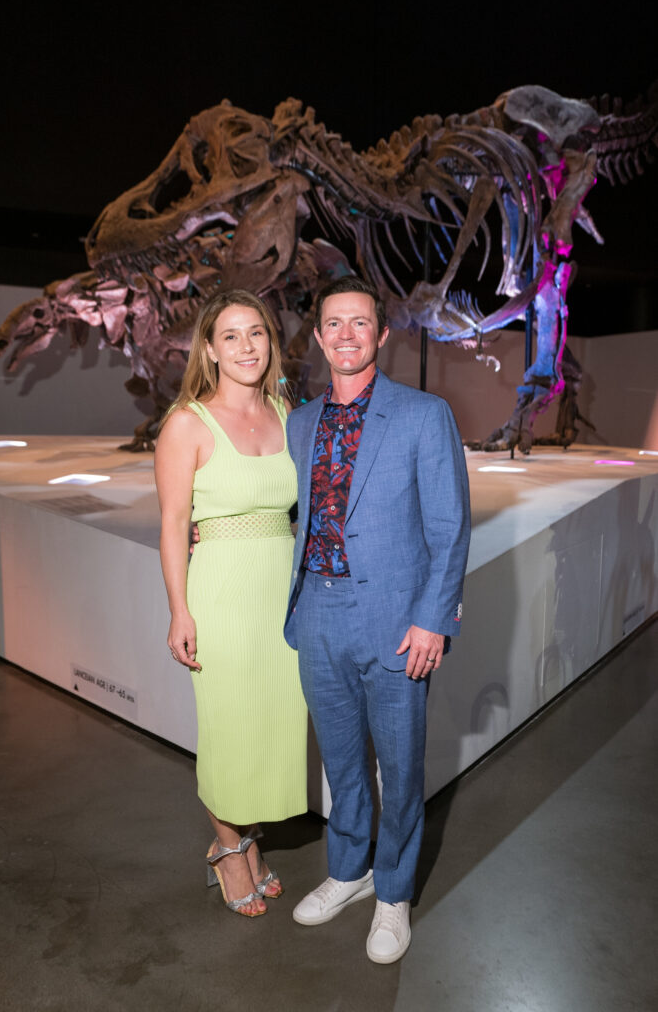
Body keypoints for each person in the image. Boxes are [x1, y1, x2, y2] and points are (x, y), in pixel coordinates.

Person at [285, 275, 470, 962]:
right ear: (318, 335)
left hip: (397, 622)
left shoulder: (424, 414)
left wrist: (433, 619)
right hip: (318, 613)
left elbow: (450, 526)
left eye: (359, 322)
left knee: (399, 764)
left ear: (382, 334)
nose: (346, 335)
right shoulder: (300, 422)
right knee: (341, 762)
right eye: (333, 323)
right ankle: (348, 870)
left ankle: (392, 891)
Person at [155, 288, 307, 918]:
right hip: (221, 590)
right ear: (210, 350)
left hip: (281, 589)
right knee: (226, 728)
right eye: (231, 336)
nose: (247, 346)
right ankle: (228, 850)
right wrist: (179, 610)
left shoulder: (286, 411)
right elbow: (172, 525)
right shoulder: (187, 423)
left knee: (269, 723)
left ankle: (249, 839)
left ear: (270, 342)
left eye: (257, 333)